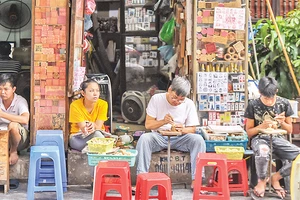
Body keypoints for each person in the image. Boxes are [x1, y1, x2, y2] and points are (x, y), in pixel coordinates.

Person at [135, 76, 206, 190]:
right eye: (174, 97)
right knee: (144, 139)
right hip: (159, 137)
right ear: (169, 89)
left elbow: (192, 129)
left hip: (180, 138)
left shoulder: (189, 104)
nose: (177, 102)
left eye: (181, 99)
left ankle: (196, 180)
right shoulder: (157, 99)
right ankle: (141, 179)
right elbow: (148, 125)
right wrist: (163, 121)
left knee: (198, 140)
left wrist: (182, 129)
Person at [244, 76, 300, 199]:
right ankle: (262, 181)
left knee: (299, 156)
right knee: (263, 152)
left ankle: (276, 177)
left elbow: (289, 129)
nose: (269, 101)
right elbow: (249, 132)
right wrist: (262, 126)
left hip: (278, 138)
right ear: (260, 93)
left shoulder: (284, 103)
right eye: (265, 98)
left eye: (272, 98)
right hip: (260, 139)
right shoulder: (253, 105)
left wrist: (282, 122)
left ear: (276, 92)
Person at [69, 79, 108, 151]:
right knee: (98, 137)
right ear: (83, 93)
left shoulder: (103, 104)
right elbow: (84, 129)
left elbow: (98, 127)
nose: (95, 94)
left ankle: (91, 149)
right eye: (91, 91)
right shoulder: (75, 105)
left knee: (98, 135)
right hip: (79, 138)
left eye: (97, 91)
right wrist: (90, 127)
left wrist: (94, 126)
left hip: (97, 134)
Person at [0, 74, 29, 165]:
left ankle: (13, 151)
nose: (2, 92)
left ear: (13, 89)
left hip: (20, 140)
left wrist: (2, 114)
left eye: (6, 89)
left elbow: (25, 119)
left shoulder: (20, 101)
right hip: (2, 137)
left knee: (13, 125)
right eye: (0, 89)